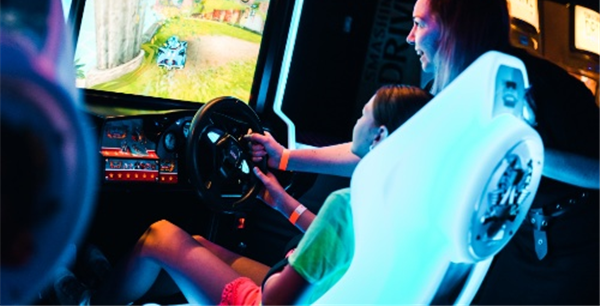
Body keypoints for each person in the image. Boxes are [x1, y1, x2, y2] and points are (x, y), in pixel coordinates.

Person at [248, 0, 599, 305]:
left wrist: (514, 147)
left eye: (419, 24)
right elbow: (381, 152)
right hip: (510, 235)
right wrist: (286, 158)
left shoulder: (540, 86)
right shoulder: (446, 91)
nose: (409, 37)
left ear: (452, 28)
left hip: (573, 243)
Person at [66, 84, 432, 305]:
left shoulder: (344, 204)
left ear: (379, 136)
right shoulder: (399, 201)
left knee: (159, 236)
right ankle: (113, 289)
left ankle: (89, 302)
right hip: (316, 294)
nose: (356, 120)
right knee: (196, 244)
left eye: (364, 115)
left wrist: (288, 264)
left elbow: (274, 303)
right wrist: (280, 202)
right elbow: (336, 244)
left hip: (273, 300)